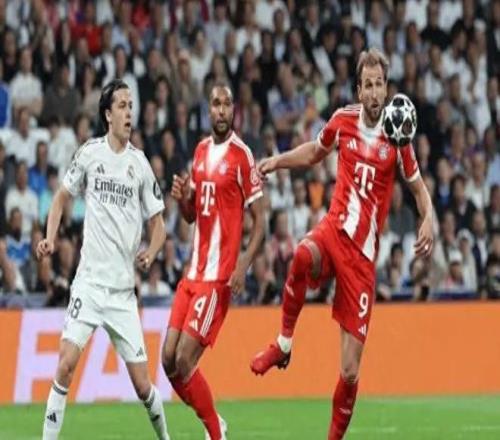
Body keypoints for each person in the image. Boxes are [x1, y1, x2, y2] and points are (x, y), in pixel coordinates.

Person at [250, 48, 434, 440]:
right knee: (302, 255)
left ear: (386, 88)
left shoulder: (397, 135)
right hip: (333, 230)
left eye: (379, 84)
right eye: (367, 85)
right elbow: (314, 153)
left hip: (362, 260)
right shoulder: (342, 120)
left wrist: (428, 218)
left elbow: (419, 190)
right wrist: (277, 161)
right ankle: (283, 343)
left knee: (349, 373)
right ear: (358, 89)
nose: (374, 92)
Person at [38, 79, 170, 440]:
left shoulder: (139, 164)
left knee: (143, 386)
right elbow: (61, 197)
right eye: (122, 106)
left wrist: (152, 252)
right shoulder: (90, 154)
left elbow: (158, 223)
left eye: (131, 106)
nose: (129, 113)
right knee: (65, 365)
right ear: (108, 115)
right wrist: (50, 238)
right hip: (90, 285)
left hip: (123, 294)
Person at [161, 84, 265, 440]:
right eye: (216, 104)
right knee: (168, 361)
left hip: (218, 278)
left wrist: (243, 265)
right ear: (209, 110)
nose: (221, 110)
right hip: (192, 274)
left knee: (185, 360)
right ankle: (215, 423)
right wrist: (182, 200)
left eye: (227, 104)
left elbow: (261, 223)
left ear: (234, 110)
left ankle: (215, 434)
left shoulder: (242, 156)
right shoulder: (201, 151)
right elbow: (193, 215)